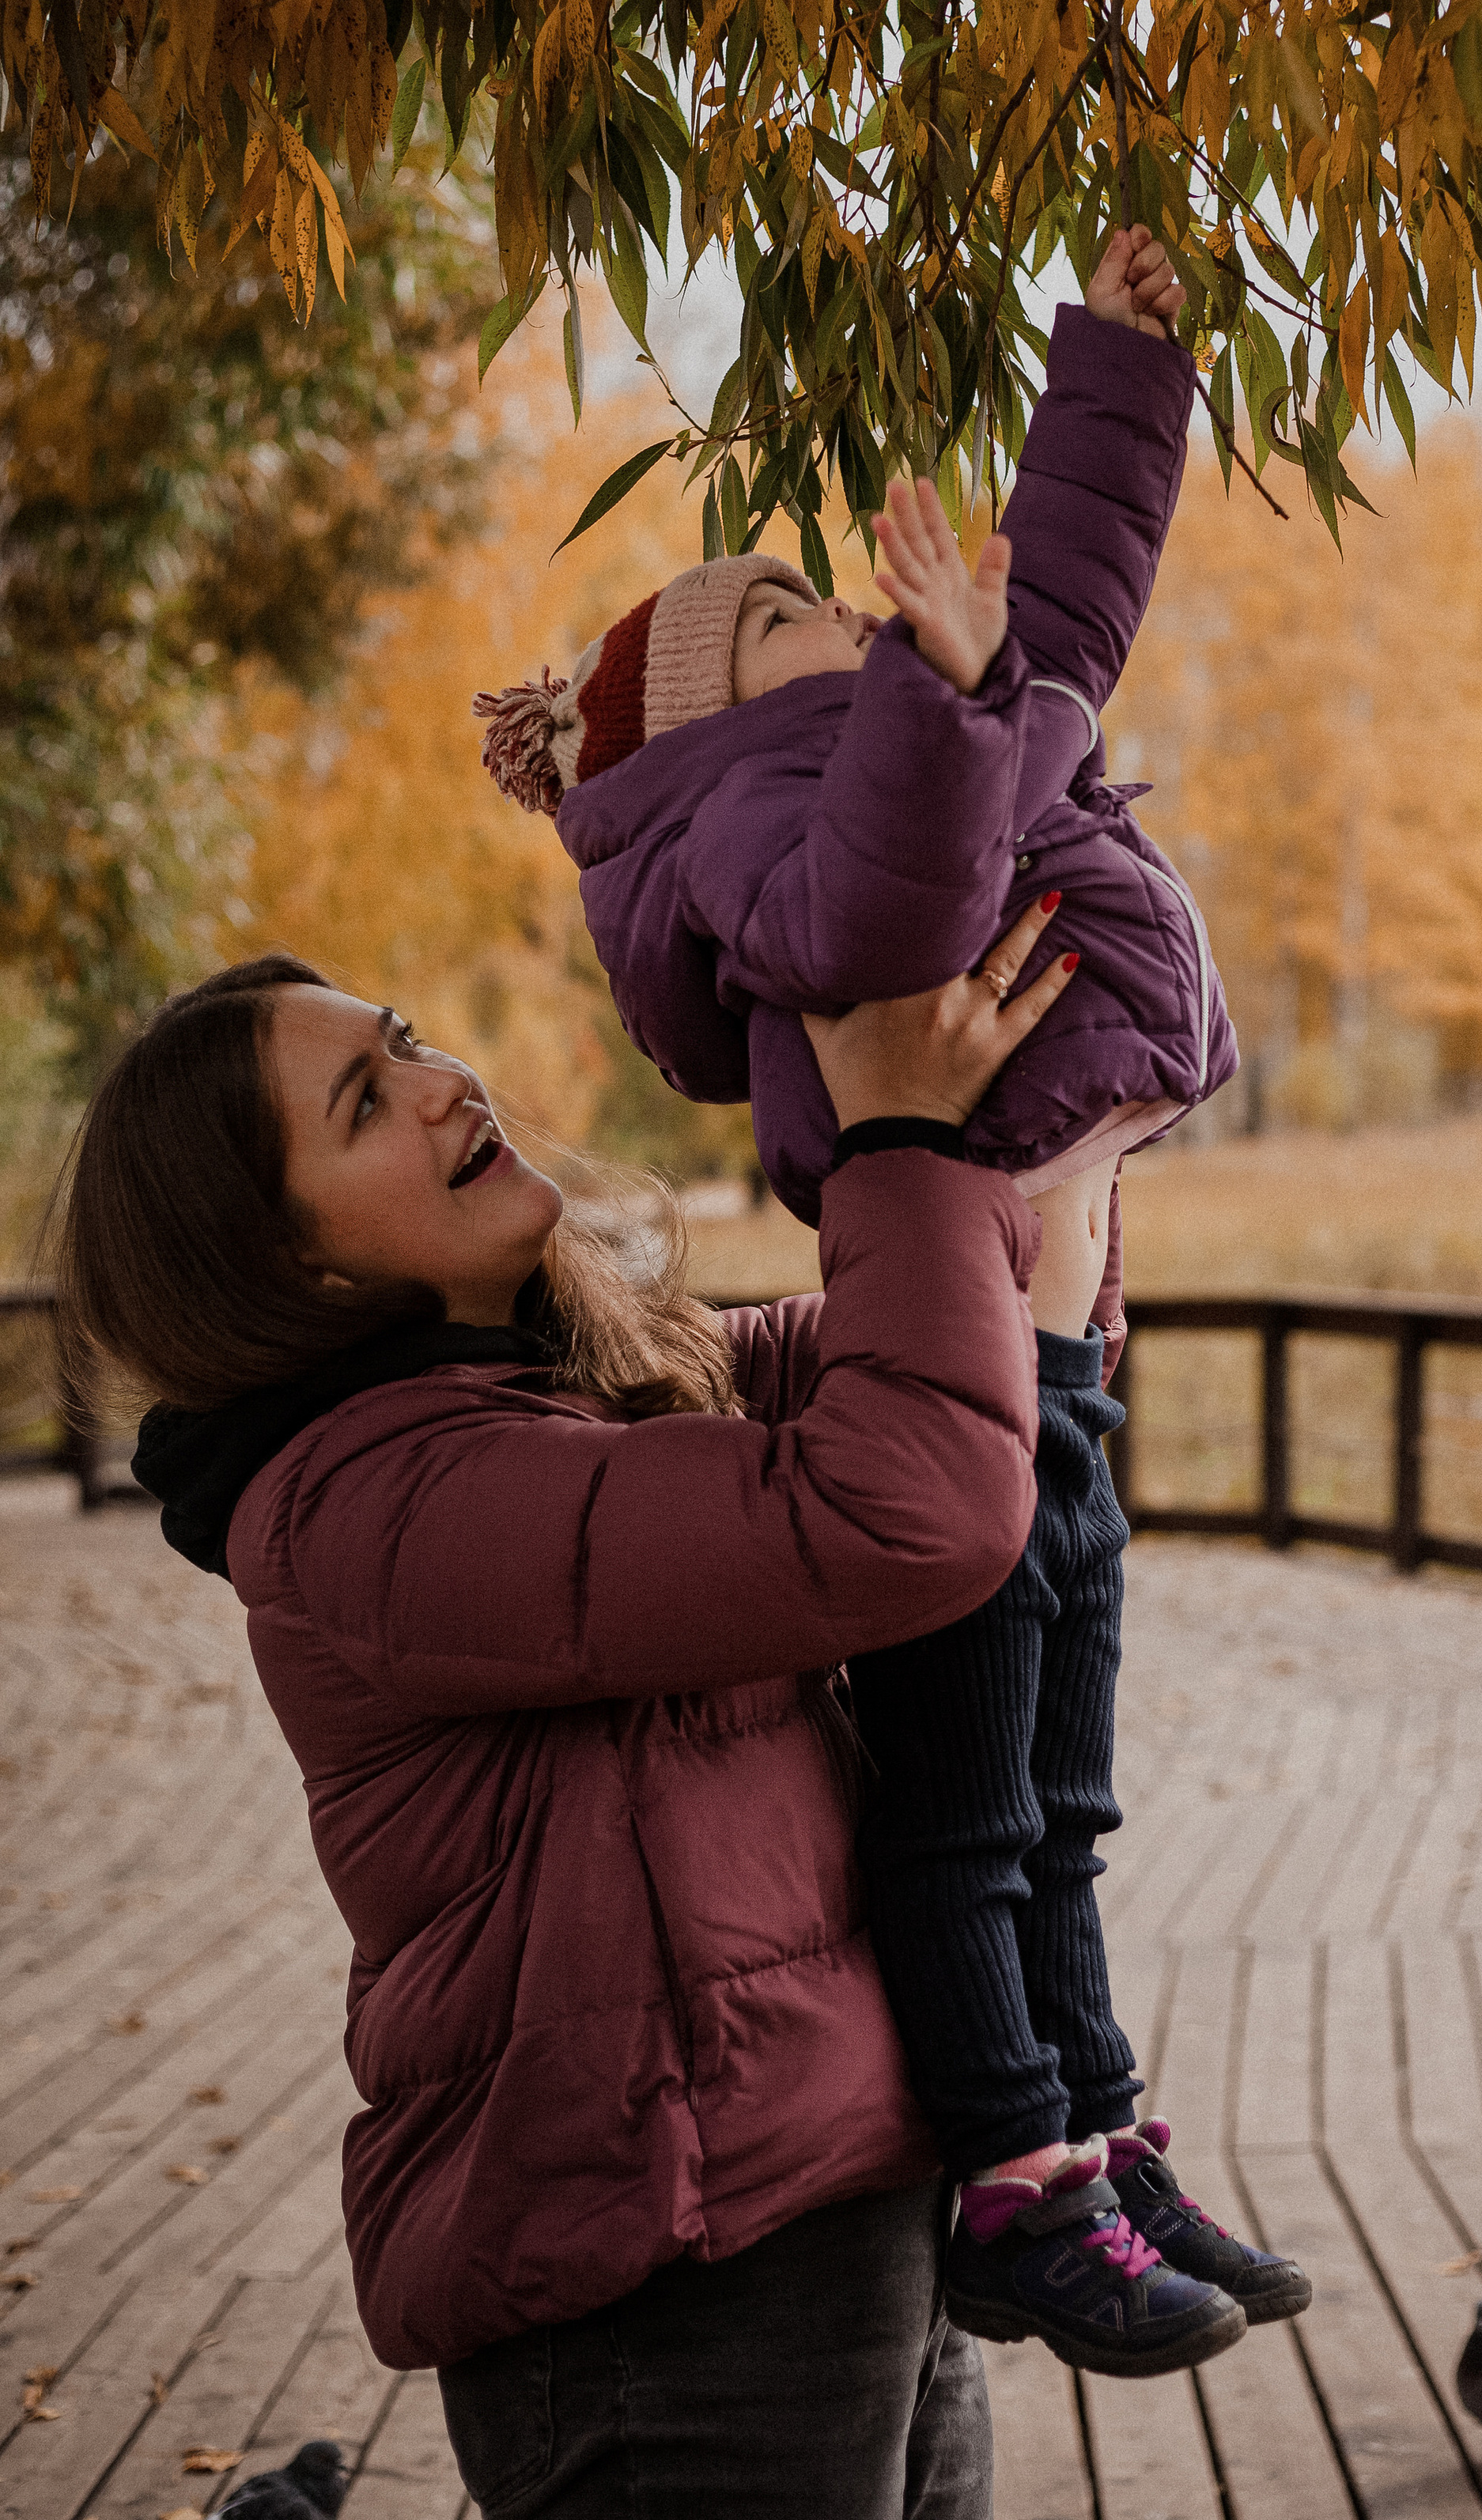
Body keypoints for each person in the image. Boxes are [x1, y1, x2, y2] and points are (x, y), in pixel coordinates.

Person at [55, 912, 1174, 2516]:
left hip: (834, 2179)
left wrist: (1036, 1120)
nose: (442, 1084)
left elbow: (935, 1367)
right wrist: (897, 1134)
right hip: (663, 2257)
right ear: (291, 1263)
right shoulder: (383, 1504)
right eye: (364, 1105)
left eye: (406, 1038)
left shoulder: (577, 1382)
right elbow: (904, 1508)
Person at [472, 231, 1310, 2371]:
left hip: (1059, 1340)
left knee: (1066, 1790)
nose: (827, 608)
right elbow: (884, 918)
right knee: (968, 1798)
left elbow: (1078, 619)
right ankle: (1011, 2171)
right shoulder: (760, 817)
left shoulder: (897, 719)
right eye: (775, 618)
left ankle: (1098, 2124)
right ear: (691, 724)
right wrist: (938, 699)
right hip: (956, 1343)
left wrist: (1123, 365)